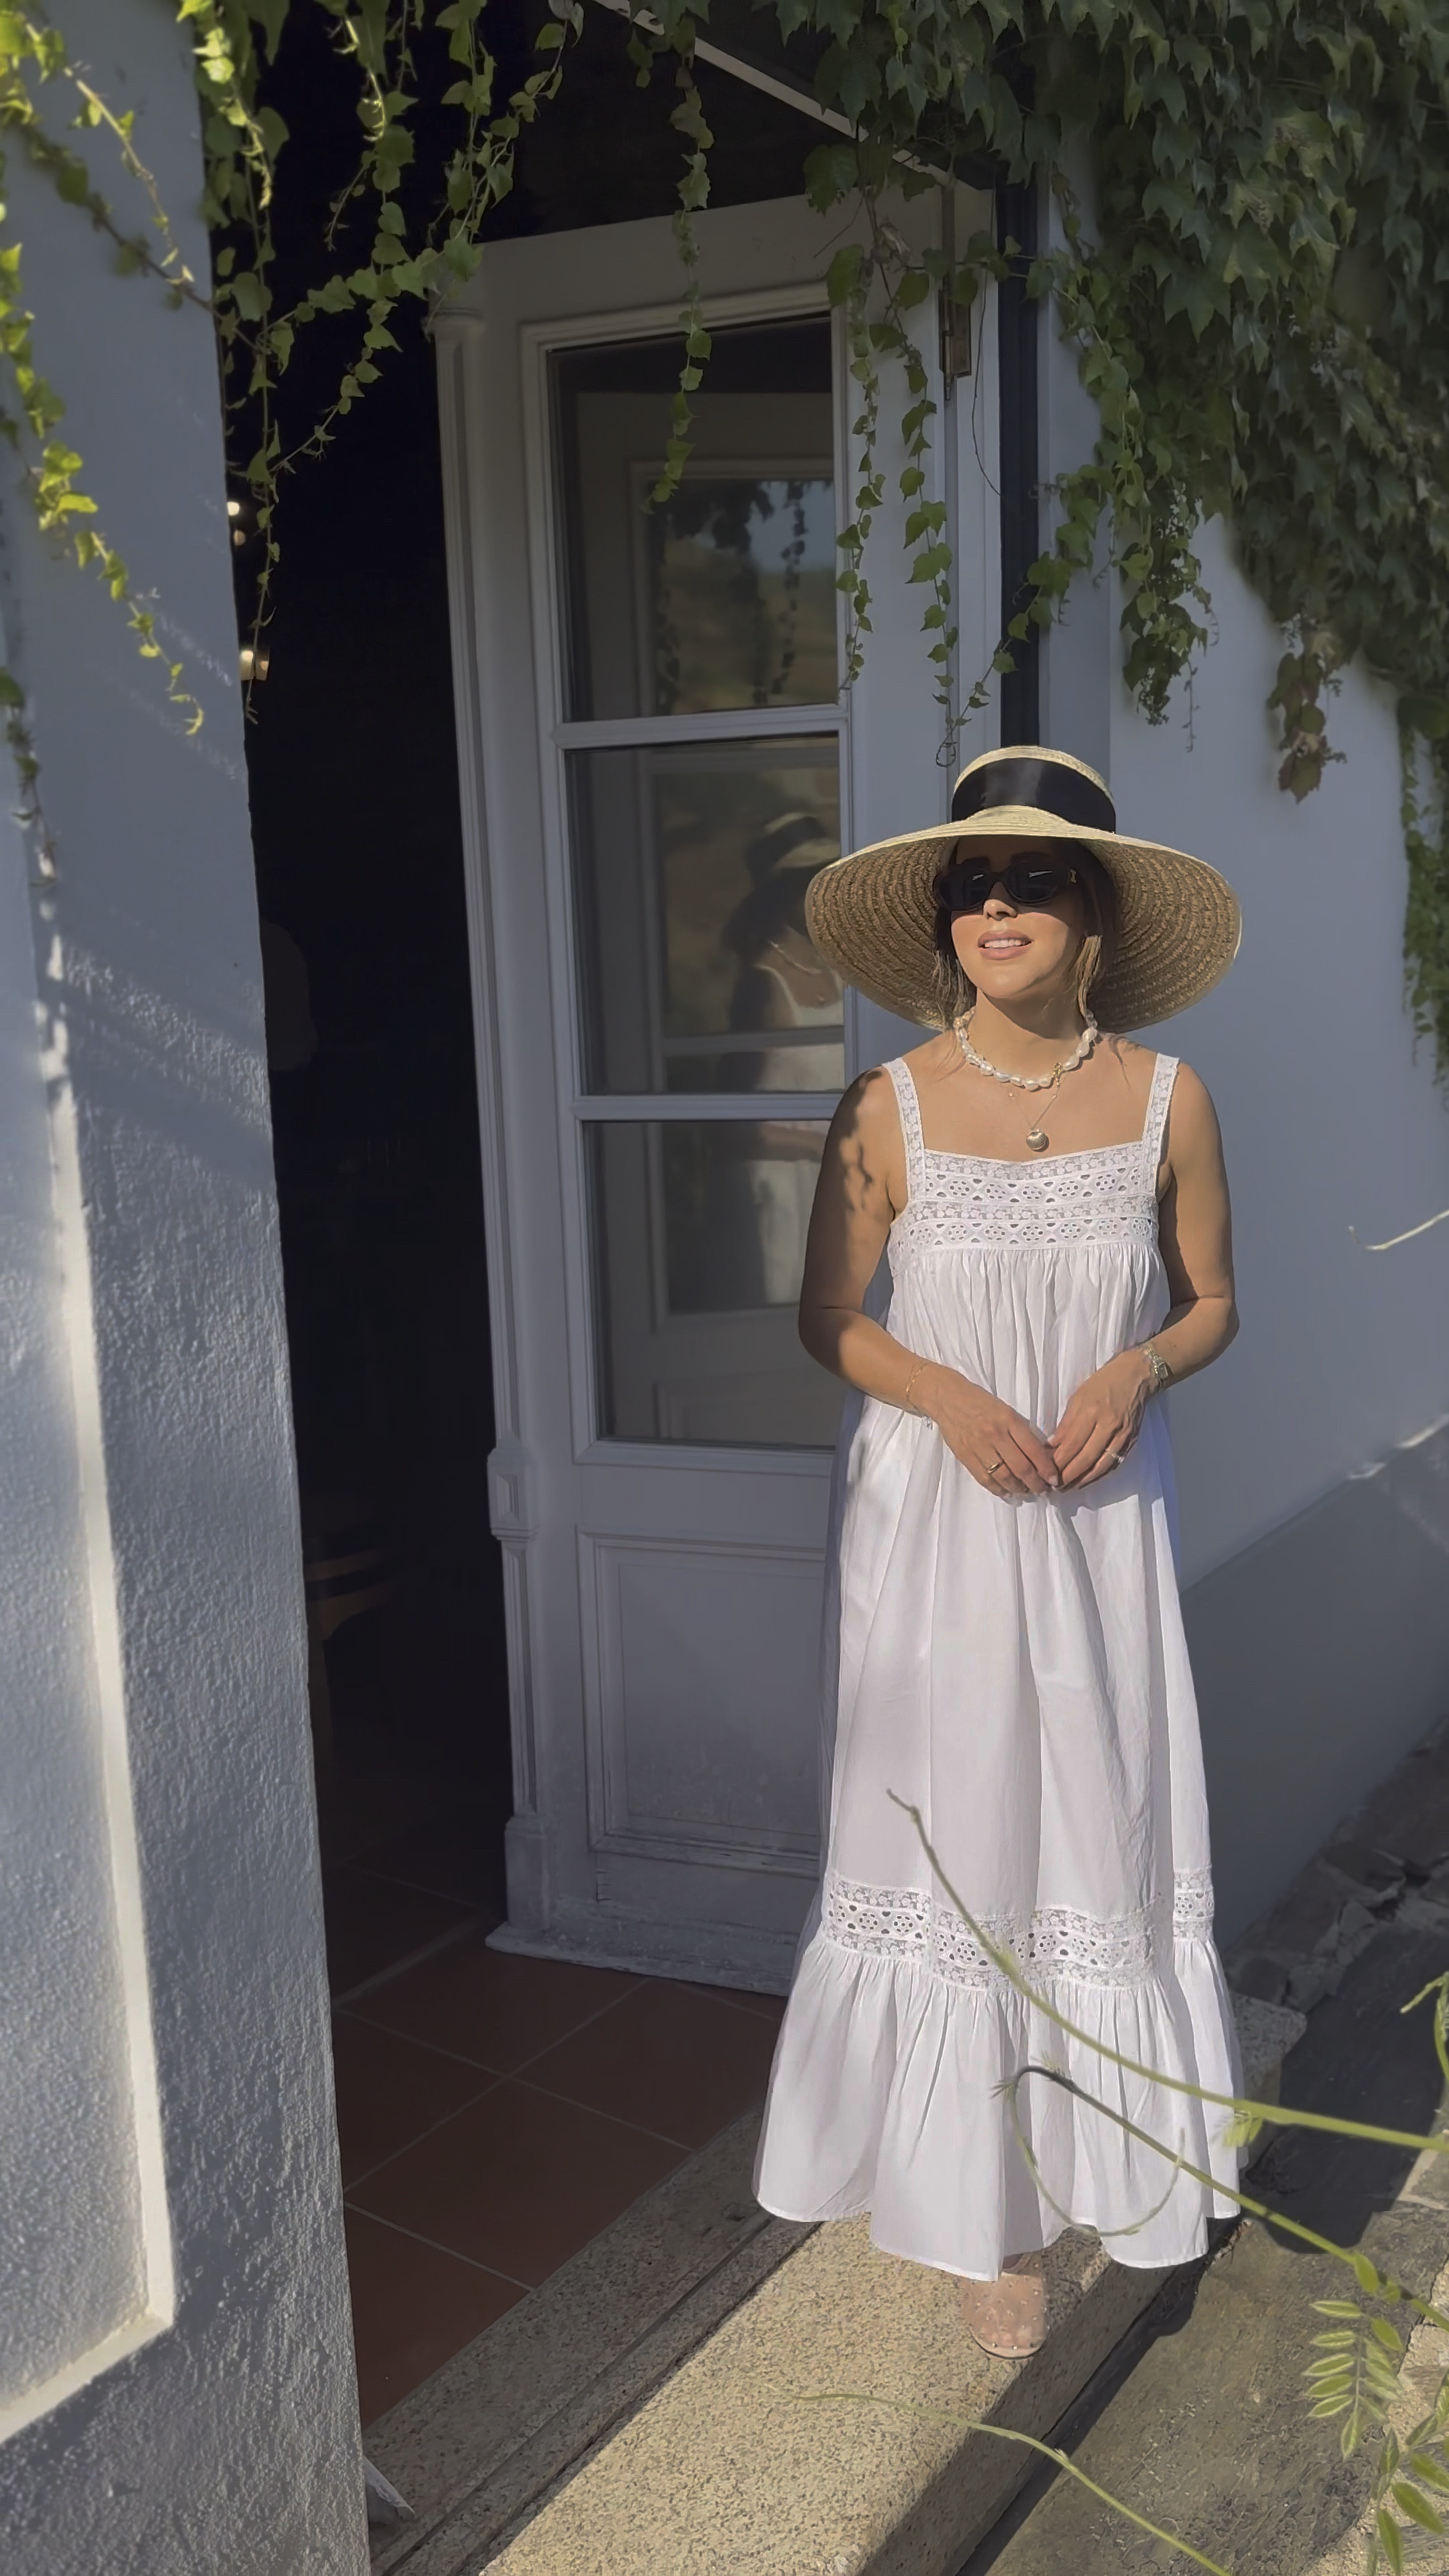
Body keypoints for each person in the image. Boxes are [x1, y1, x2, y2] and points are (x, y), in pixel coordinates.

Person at [752, 743, 1245, 2360]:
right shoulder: (880, 1106)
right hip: (938, 1525)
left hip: (1100, 1524)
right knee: (952, 1830)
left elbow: (1209, 1301)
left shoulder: (1168, 1099)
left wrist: (1136, 1366)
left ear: (1092, 911)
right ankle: (978, 2213)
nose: (999, 902)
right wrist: (952, 1395)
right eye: (974, 880)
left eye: (1034, 877)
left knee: (1091, 1816)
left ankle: (1110, 2147)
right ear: (945, 918)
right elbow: (828, 1317)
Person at [722, 812, 843, 1304]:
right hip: (785, 1189)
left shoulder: (841, 972)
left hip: (839, 1180)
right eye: (812, 885)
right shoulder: (761, 985)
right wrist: (817, 1145)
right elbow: (731, 1124)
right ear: (784, 892)